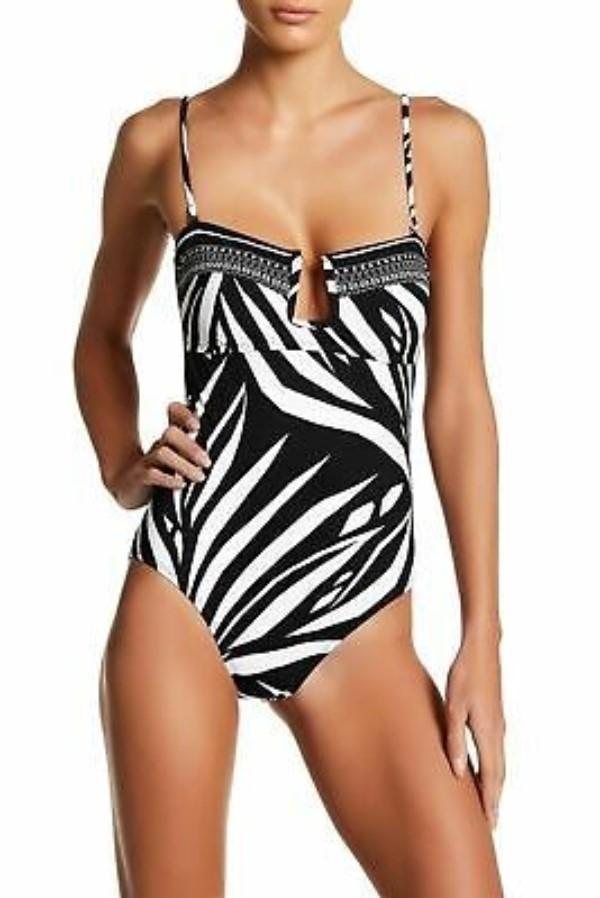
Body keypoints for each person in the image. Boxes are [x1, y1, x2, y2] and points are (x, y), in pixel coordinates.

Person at [73, 1, 505, 895]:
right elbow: (101, 338)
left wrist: (481, 637)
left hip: (362, 606)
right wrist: (121, 465)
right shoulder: (161, 142)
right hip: (189, 584)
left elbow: (458, 397)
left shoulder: (442, 145)